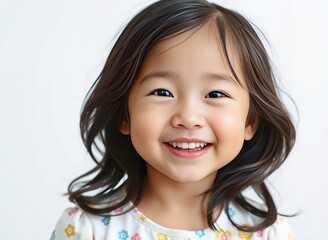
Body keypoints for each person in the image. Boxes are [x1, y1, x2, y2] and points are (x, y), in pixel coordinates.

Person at [51, 0, 296, 239]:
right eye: (162, 92)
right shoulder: (86, 229)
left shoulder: (267, 234)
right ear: (124, 115)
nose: (188, 118)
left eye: (215, 94)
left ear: (250, 121)